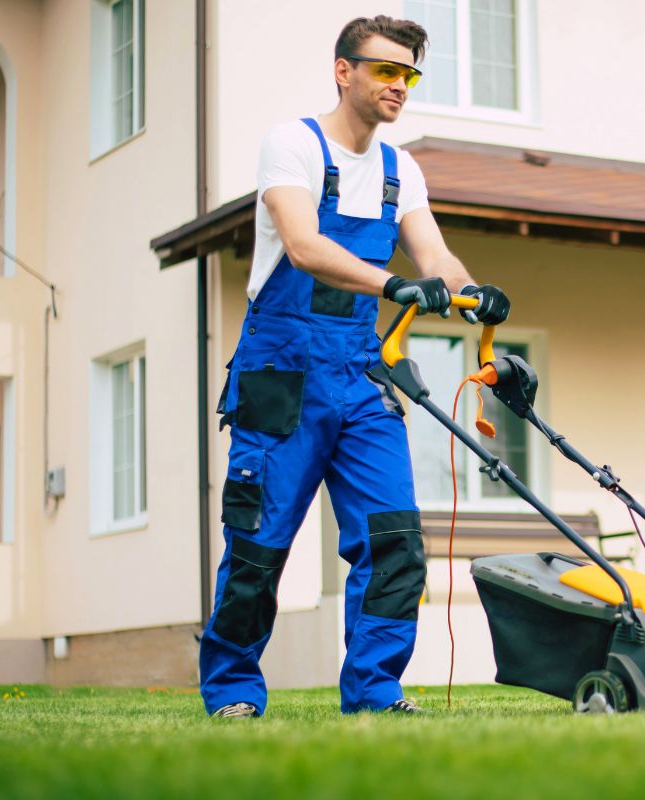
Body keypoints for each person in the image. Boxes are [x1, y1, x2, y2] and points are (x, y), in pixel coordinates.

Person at [200, 15, 511, 718]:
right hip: (281, 374)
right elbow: (305, 245)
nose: (399, 85)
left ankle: (375, 692)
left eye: (408, 75)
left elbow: (434, 258)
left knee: (394, 538)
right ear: (345, 71)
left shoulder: (402, 169)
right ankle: (232, 690)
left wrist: (469, 293)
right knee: (257, 546)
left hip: (360, 378)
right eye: (385, 71)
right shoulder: (293, 145)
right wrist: (392, 284)